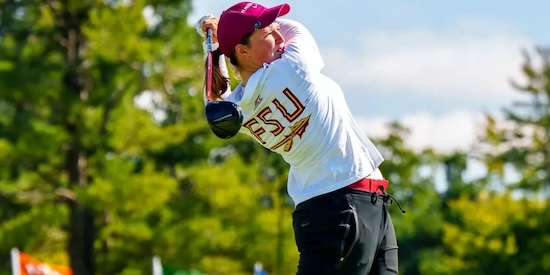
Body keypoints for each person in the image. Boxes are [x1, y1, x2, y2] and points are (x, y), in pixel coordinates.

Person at [195, 2, 404, 274]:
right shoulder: (293, 68)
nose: (279, 37)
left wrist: (215, 47)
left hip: (351, 204)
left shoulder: (238, 110)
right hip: (341, 206)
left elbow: (215, 98)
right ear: (243, 51)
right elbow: (295, 28)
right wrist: (220, 34)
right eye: (269, 34)